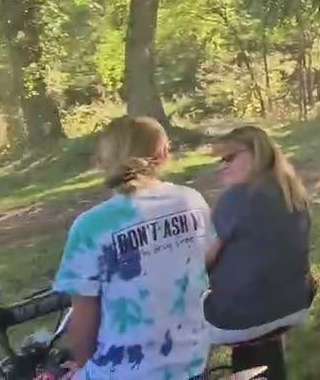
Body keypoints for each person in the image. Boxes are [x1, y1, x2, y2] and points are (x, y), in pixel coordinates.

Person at [52, 116, 211, 380]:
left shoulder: (92, 226)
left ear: (103, 160)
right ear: (162, 153)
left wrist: (82, 366)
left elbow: (83, 319)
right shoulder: (192, 201)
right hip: (190, 364)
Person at [204, 125, 314, 380]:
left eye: (229, 158)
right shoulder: (292, 192)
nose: (222, 166)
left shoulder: (235, 199)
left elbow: (202, 261)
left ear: (255, 154)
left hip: (239, 316)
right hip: (294, 304)